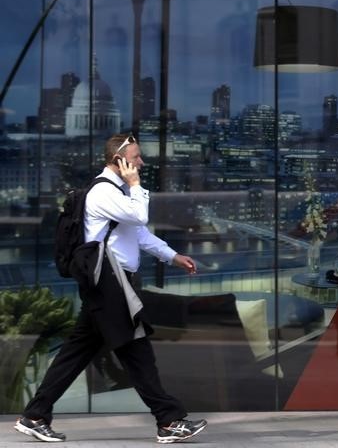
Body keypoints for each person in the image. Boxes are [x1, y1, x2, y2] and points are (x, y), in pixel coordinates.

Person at [14, 134, 207, 444]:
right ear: (120, 160)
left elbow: (140, 234)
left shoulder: (118, 193)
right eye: (137, 157)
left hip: (112, 283)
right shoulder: (104, 192)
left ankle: (35, 415)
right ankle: (169, 421)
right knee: (136, 352)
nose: (141, 162)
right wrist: (135, 185)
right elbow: (140, 214)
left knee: (78, 352)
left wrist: (173, 256)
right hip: (109, 282)